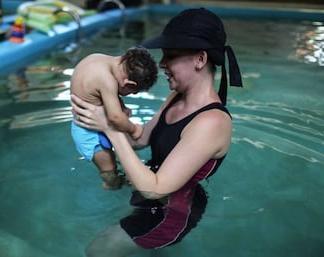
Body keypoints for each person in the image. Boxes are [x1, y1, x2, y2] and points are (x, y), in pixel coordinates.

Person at [71, 8, 243, 257]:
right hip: (149, 194)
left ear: (200, 59)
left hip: (172, 214)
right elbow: (141, 139)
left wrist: (109, 127)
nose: (161, 63)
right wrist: (101, 114)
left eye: (170, 55)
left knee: (97, 251)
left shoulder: (212, 122)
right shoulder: (177, 97)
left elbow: (156, 188)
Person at [70, 46, 158, 190]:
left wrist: (121, 107)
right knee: (109, 168)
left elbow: (97, 93)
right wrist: (134, 128)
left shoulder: (97, 58)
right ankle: (111, 184)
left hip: (84, 123)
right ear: (129, 83)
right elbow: (115, 118)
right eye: (131, 92)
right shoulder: (107, 81)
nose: (128, 94)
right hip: (90, 134)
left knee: (123, 148)